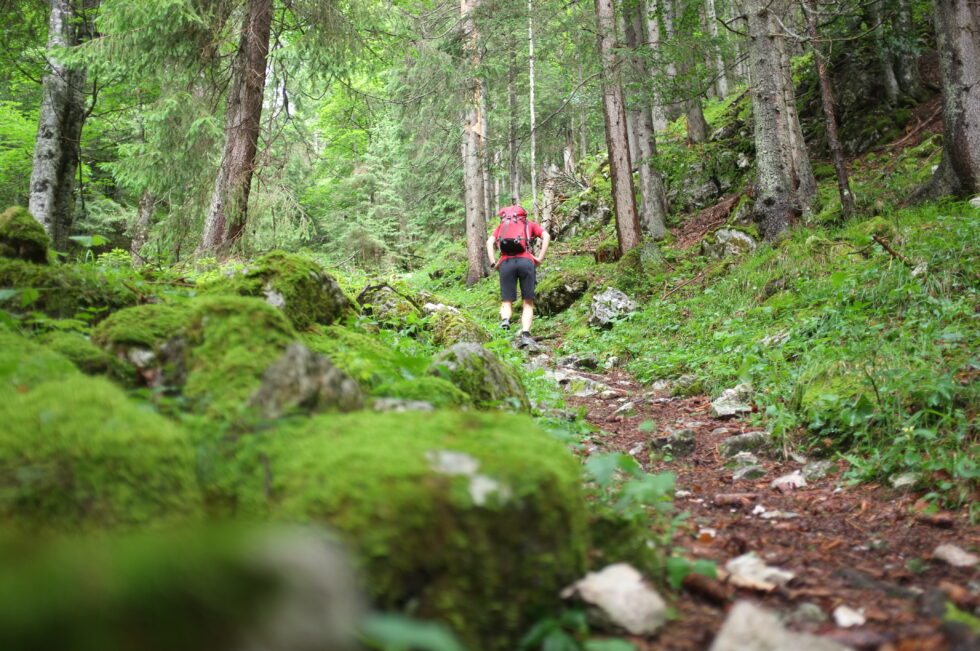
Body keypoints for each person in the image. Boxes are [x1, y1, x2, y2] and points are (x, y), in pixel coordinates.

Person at [485, 205, 551, 347]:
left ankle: (505, 319)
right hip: (526, 261)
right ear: (523, 215)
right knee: (527, 302)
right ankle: (526, 333)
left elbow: (489, 242)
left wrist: (493, 263)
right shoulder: (529, 224)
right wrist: (539, 258)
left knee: (506, 301)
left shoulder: (502, 226)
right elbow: (546, 236)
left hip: (506, 262)